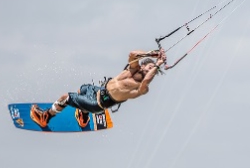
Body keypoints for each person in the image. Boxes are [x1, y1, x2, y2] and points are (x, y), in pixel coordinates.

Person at [30, 48, 167, 128]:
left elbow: (146, 81)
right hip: (97, 91)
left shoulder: (141, 87)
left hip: (98, 104)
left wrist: (157, 64)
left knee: (65, 98)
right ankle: (83, 117)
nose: (151, 72)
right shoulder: (133, 69)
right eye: (149, 68)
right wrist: (151, 54)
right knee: (83, 88)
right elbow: (132, 54)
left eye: (153, 70)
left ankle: (45, 117)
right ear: (142, 66)